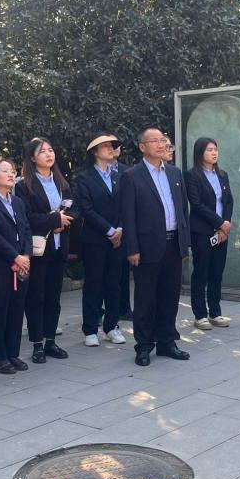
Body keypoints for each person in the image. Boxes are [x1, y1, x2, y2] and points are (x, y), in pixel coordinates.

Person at [120, 127, 191, 366]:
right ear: (142, 147)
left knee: (169, 296)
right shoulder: (132, 176)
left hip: (173, 244)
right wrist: (132, 248)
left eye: (163, 140)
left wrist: (184, 243)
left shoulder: (174, 173)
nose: (161, 145)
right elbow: (128, 216)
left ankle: (167, 342)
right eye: (155, 141)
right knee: (145, 298)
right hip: (147, 246)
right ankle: (144, 345)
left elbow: (182, 210)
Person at [15, 137, 75, 364]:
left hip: (59, 246)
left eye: (51, 150)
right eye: (42, 152)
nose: (49, 154)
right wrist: (54, 221)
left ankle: (51, 341)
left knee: (53, 296)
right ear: (32, 157)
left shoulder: (61, 181)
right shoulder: (23, 185)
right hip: (38, 248)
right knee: (36, 297)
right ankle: (37, 344)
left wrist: (65, 221)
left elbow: (74, 208)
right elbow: (26, 217)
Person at [74, 133, 127, 346]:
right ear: (94, 152)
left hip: (118, 239)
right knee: (94, 283)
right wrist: (110, 231)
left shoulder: (119, 176)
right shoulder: (84, 178)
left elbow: (125, 205)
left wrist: (120, 229)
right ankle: (90, 329)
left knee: (114, 283)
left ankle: (112, 326)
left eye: (111, 145)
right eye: (104, 146)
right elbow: (86, 209)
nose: (110, 148)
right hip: (95, 239)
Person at [0, 157, 32, 374]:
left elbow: (27, 230)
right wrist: (15, 257)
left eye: (12, 170)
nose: (11, 174)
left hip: (22, 264)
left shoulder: (18, 202)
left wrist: (26, 255)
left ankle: (13, 353)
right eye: (5, 171)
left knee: (16, 310)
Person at [186, 137, 234, 330]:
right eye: (209, 150)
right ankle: (200, 315)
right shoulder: (192, 175)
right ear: (200, 153)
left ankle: (215, 312)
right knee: (201, 272)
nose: (214, 153)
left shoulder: (222, 174)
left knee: (216, 272)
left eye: (215, 149)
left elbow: (229, 201)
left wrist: (225, 224)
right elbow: (197, 205)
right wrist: (219, 223)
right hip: (202, 232)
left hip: (222, 232)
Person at [113, 142, 133, 321]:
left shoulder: (127, 171)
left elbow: (129, 203)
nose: (114, 148)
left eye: (117, 145)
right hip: (103, 229)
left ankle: (124, 308)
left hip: (123, 227)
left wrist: (121, 226)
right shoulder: (92, 173)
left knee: (124, 272)